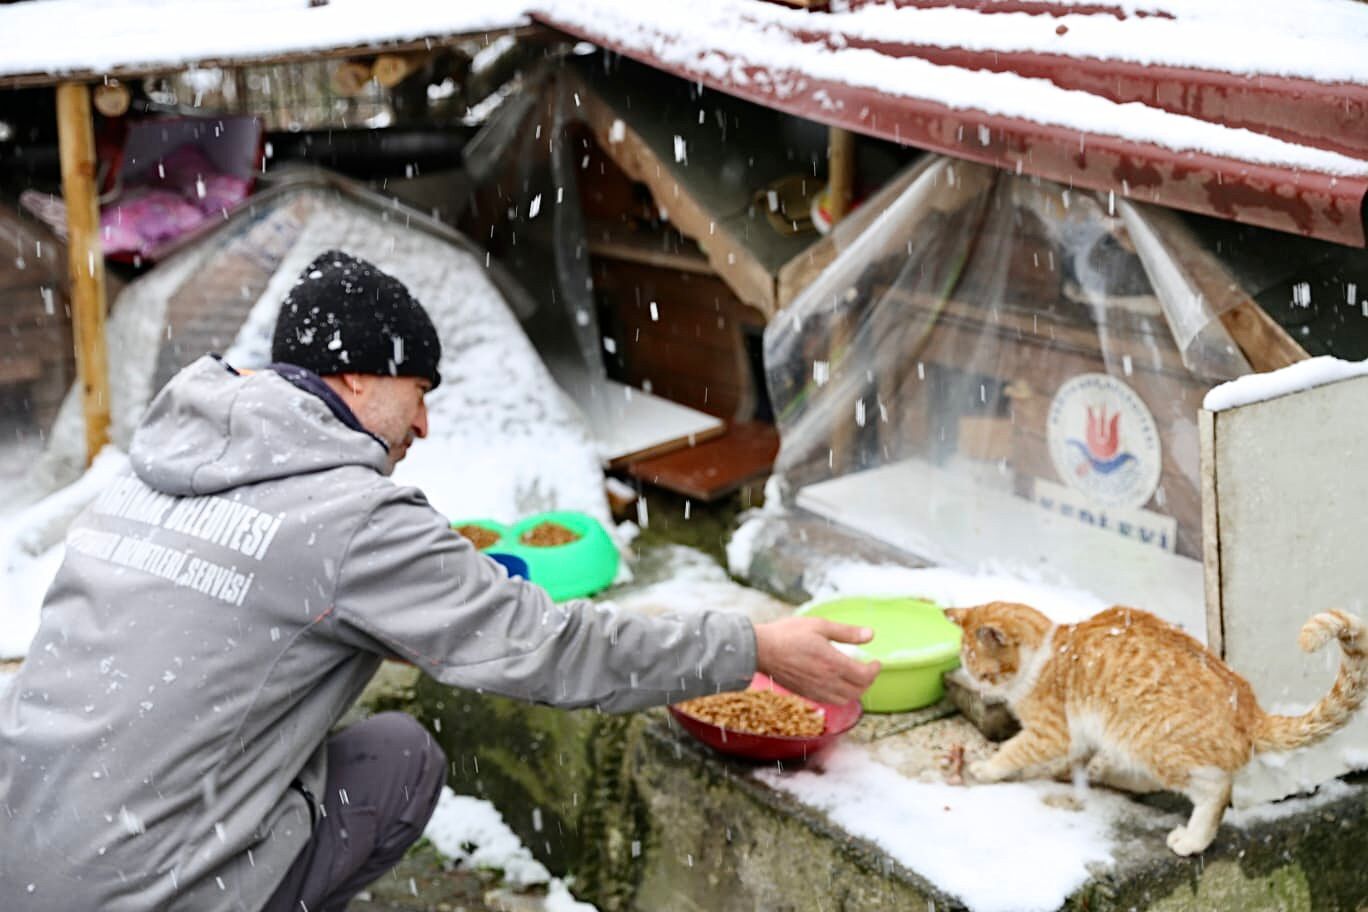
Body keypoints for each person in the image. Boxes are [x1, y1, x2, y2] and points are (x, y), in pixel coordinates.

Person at [0, 250, 880, 911]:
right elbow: (549, 648)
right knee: (400, 760)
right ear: (350, 375)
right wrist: (755, 643)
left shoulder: (153, 472)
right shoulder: (347, 518)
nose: (424, 421)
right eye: (416, 389)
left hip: (25, 857)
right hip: (145, 892)